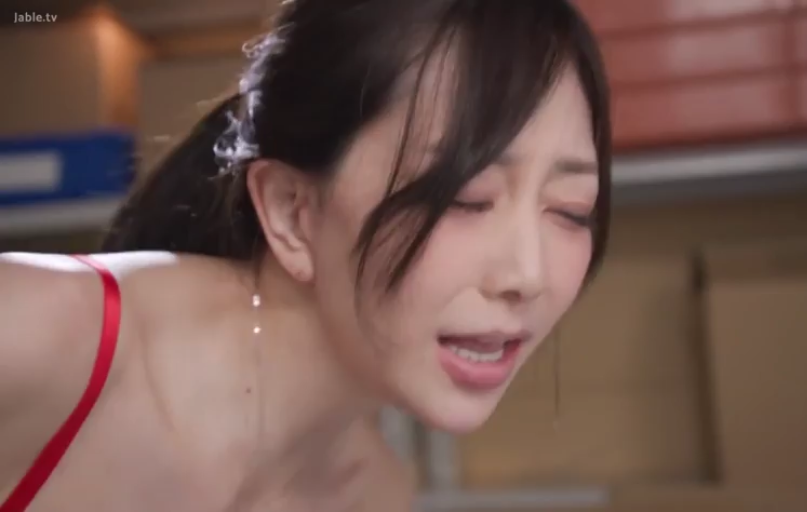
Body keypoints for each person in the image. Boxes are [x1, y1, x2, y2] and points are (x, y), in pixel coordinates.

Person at [0, 0, 611, 509]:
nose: (527, 275)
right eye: (466, 199)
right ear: (292, 212)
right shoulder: (36, 337)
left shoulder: (373, 493)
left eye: (570, 210)